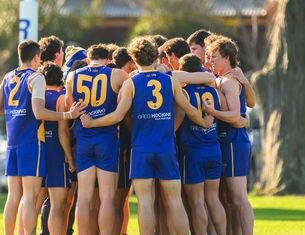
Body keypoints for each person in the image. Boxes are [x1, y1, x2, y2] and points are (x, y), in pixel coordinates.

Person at [80, 36, 214, 235]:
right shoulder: (170, 81)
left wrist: (92, 122)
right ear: (156, 57)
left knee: (145, 203)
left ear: (134, 60)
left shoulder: (131, 83)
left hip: (142, 149)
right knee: (175, 201)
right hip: (166, 148)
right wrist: (205, 122)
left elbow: (117, 116)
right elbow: (189, 109)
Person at [0, 39, 85, 235]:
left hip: (12, 143)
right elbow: (39, 112)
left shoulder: (8, 76)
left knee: (13, 196)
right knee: (31, 197)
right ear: (36, 57)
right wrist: (68, 115)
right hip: (31, 142)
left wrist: (16, 110)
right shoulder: (36, 77)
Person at [65, 43, 129, 235]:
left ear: (87, 59)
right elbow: (130, 95)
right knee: (107, 197)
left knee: (83, 197)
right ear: (108, 59)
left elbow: (70, 108)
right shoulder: (116, 74)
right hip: (106, 140)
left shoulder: (72, 76)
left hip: (83, 140)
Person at [203, 37, 254, 235]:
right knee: (228, 198)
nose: (210, 61)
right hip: (225, 140)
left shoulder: (229, 82)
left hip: (234, 141)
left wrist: (211, 111)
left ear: (227, 57)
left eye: (214, 57)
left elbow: (235, 116)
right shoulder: (220, 79)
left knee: (238, 197)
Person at [177, 54, 227, 235]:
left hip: (192, 151)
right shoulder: (214, 91)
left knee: (197, 202)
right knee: (213, 199)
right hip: (213, 148)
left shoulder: (183, 93)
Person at [39, 62, 74, 235]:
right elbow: (63, 132)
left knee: (32, 201)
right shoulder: (61, 96)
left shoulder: (36, 96)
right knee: (57, 204)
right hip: (55, 153)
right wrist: (69, 157)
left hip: (37, 150)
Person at [112, 47, 136, 235]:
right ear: (129, 63)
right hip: (121, 147)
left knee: (118, 199)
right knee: (119, 199)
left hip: (106, 146)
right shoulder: (125, 82)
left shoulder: (108, 79)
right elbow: (123, 116)